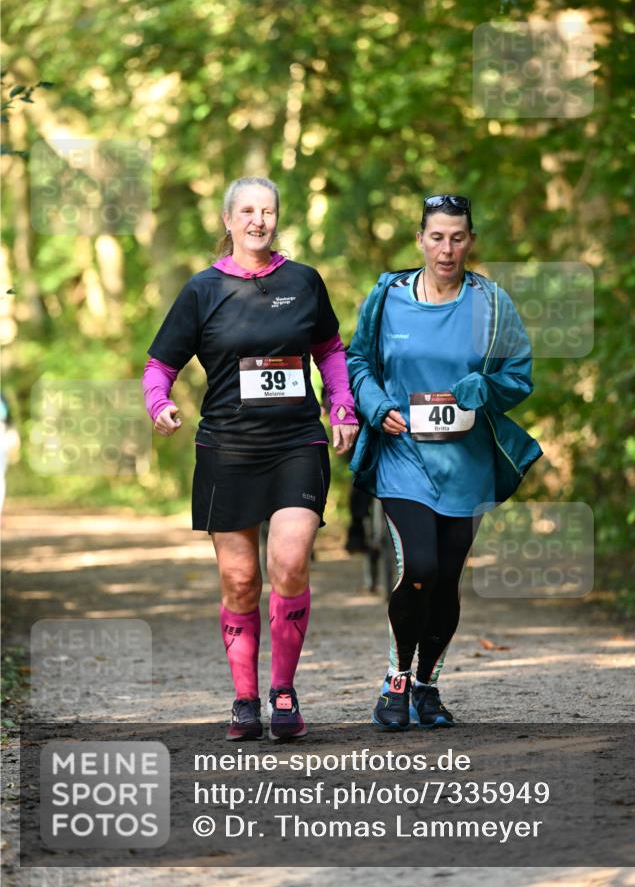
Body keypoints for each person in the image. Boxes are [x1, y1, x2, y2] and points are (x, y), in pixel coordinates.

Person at [143, 177, 358, 741]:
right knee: (240, 580)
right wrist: (159, 403)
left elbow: (331, 351)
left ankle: (283, 691)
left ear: (276, 218)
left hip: (296, 444)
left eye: (267, 211)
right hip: (228, 449)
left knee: (289, 564)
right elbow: (159, 365)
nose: (258, 220)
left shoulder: (304, 281)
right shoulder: (202, 289)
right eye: (247, 211)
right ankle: (244, 699)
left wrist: (343, 407)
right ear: (228, 220)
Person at [347, 194, 542, 730]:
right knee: (420, 568)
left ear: (470, 241)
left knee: (448, 578)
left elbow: (519, 376)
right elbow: (356, 360)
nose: (447, 249)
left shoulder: (492, 304)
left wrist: (488, 387)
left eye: (457, 237)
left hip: (467, 463)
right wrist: (375, 405)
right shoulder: (388, 296)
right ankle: (395, 681)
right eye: (437, 237)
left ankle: (428, 686)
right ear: (420, 240)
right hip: (402, 456)